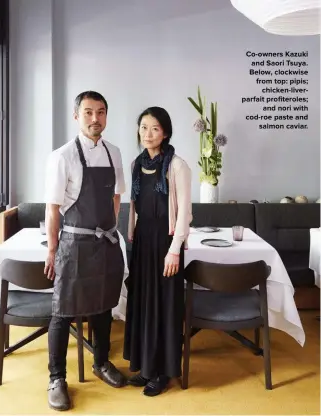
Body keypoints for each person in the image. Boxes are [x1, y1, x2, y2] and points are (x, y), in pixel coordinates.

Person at [44, 91, 126, 411]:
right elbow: (53, 210)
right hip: (74, 246)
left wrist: (110, 230)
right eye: (89, 112)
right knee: (63, 313)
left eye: (101, 112)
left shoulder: (114, 153)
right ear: (76, 116)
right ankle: (56, 378)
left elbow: (116, 198)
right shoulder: (62, 156)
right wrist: (52, 251)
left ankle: (101, 363)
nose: (96, 118)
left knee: (103, 307)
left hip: (105, 244)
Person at [123, 106, 192, 396]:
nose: (147, 134)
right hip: (142, 243)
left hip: (166, 244)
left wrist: (175, 250)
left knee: (164, 307)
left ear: (165, 132)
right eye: (143, 128)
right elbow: (134, 208)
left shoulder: (177, 165)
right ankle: (146, 367)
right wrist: (130, 240)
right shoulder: (136, 164)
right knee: (143, 304)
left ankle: (163, 372)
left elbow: (185, 213)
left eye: (154, 128)